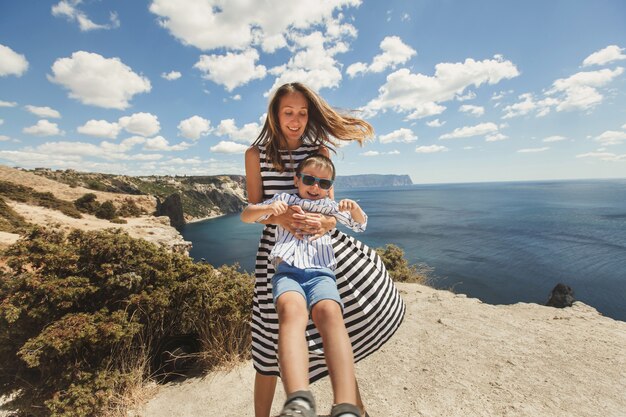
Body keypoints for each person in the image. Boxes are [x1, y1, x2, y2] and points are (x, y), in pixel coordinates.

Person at [245, 82, 405, 417]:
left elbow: (332, 214)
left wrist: (322, 224)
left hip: (321, 253)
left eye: (302, 113)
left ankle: (350, 409)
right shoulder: (254, 155)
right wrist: (283, 218)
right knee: (268, 349)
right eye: (288, 112)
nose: (296, 119)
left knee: (333, 326)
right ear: (274, 114)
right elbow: (255, 209)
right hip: (278, 256)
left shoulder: (319, 151)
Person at [242, 155, 366, 417]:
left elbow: (360, 224)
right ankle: (299, 399)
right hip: (287, 273)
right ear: (296, 180)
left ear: (329, 185)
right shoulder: (285, 200)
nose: (315, 187)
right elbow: (247, 215)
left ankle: (346, 406)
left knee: (330, 314)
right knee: (290, 311)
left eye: (323, 182)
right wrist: (273, 212)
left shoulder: (328, 207)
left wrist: (352, 207)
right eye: (309, 180)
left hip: (322, 275)